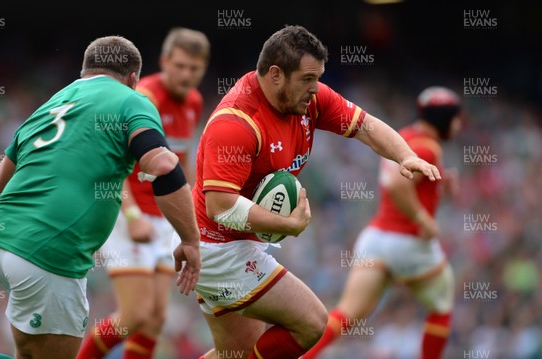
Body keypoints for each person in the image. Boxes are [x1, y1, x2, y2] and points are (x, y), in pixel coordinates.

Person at [185, 25, 442, 359]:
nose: (315, 88)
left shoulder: (307, 100)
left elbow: (365, 126)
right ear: (276, 74)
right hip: (215, 247)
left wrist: (406, 155)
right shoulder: (236, 123)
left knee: (234, 354)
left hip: (230, 242)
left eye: (317, 78)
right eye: (307, 79)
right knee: (311, 323)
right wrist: (287, 225)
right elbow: (221, 207)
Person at [0, 35, 200, 359]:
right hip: (50, 253)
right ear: (133, 78)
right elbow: (165, 165)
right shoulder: (132, 100)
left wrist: (14, 240)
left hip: (1, 246)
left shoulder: (53, 102)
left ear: (85, 72)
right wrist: (191, 239)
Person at [77, 27, 210, 359]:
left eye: (194, 68)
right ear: (164, 61)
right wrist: (133, 216)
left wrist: (191, 212)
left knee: (154, 319)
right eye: (179, 65)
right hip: (128, 214)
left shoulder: (194, 102)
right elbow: (113, 163)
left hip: (164, 218)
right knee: (134, 315)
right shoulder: (142, 98)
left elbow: (182, 159)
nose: (186, 74)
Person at [302, 86, 462, 359]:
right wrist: (422, 219)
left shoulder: (405, 137)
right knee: (442, 304)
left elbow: (409, 184)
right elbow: (398, 185)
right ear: (446, 119)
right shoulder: (429, 147)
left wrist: (440, 188)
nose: (459, 125)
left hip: (376, 240)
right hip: (408, 242)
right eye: (457, 118)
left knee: (345, 315)